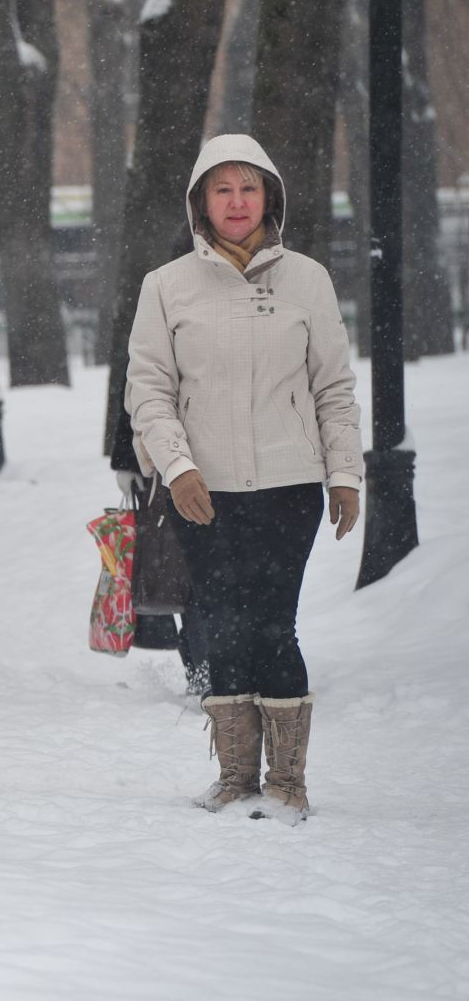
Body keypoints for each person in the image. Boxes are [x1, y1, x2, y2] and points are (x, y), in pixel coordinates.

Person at [124, 134, 363, 826]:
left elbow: (334, 388)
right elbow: (150, 389)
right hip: (205, 491)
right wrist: (178, 466)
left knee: (271, 625)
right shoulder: (166, 287)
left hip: (290, 488)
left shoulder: (307, 281)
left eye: (249, 188)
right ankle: (234, 776)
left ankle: (287, 779)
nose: (237, 202)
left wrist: (344, 473)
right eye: (222, 189)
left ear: (270, 198)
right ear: (201, 201)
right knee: (223, 627)